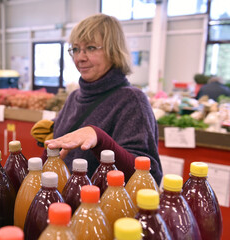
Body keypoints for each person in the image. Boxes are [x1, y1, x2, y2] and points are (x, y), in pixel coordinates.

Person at [32, 13, 162, 185]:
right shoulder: (74, 97)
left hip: (102, 209)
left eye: (91, 48)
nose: (80, 58)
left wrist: (100, 139)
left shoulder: (132, 100)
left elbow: (149, 175)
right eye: (76, 49)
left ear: (113, 51)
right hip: (64, 205)